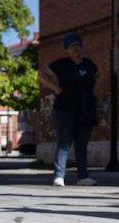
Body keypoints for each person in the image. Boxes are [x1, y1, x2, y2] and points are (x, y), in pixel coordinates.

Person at [40, 32, 100, 186]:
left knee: (82, 143)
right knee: (64, 142)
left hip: (86, 108)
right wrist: (55, 88)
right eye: (72, 46)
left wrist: (94, 90)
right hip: (65, 108)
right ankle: (59, 176)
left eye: (78, 45)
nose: (76, 48)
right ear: (67, 49)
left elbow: (99, 75)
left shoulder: (88, 65)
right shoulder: (61, 64)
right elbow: (42, 74)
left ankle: (83, 176)